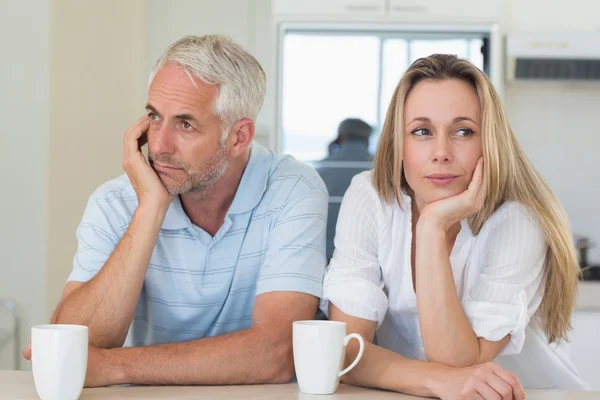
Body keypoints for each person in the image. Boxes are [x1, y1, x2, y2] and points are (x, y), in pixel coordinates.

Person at [23, 35, 328, 387]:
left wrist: (115, 367)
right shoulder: (115, 201)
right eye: (154, 116)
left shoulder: (294, 190)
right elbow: (72, 347)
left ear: (239, 137)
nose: (159, 145)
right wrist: (150, 210)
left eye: (185, 124)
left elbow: (276, 353)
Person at [321, 54, 588, 399]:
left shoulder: (519, 221)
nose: (441, 152)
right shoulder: (371, 198)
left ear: (489, 141)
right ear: (398, 145)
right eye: (422, 131)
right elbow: (346, 351)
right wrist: (434, 381)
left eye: (463, 131)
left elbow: (458, 364)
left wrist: (431, 227)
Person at [317, 118, 373, 261]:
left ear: (340, 136)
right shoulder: (381, 168)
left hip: (325, 253)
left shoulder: (321, 169)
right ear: (368, 138)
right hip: (368, 254)